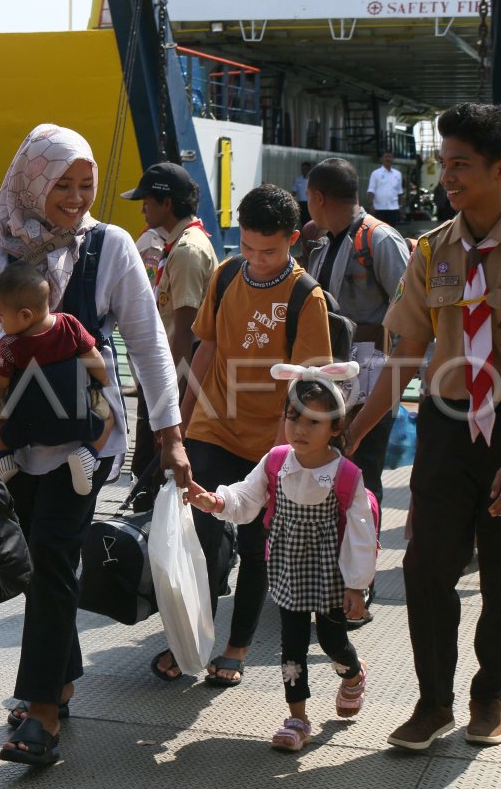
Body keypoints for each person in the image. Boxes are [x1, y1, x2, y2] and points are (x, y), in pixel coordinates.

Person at [347, 103, 501, 750]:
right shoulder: (433, 252)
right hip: (448, 428)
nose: (447, 176)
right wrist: (357, 429)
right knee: (427, 568)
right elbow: (404, 358)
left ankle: (490, 697)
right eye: (443, 163)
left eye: (462, 165)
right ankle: (432, 704)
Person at [0, 124, 190, 767]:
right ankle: (62, 673)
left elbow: (148, 344)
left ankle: (41, 712)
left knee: (55, 558)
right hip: (14, 436)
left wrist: (168, 434)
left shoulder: (110, 246)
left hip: (84, 437)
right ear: (31, 181)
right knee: (33, 560)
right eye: (63, 185)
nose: (77, 197)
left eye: (86, 185)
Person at [150, 184, 332, 685]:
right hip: (213, 424)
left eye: (268, 250)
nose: (257, 259)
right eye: (248, 246)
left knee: (255, 546)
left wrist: (278, 457)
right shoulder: (227, 273)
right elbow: (204, 349)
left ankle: (236, 646)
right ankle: (187, 638)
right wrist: (181, 424)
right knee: (200, 532)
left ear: (293, 239)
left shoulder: (305, 297)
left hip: (269, 439)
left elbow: (304, 388)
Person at [184, 365, 377, 752]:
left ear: (336, 428)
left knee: (331, 640)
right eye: (293, 418)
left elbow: (359, 535)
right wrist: (217, 501)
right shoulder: (276, 462)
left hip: (332, 577)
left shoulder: (346, 476)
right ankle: (297, 717)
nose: (300, 430)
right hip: (288, 572)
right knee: (292, 646)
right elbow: (247, 497)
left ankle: (352, 673)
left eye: (313, 422)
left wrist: (357, 585)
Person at [303, 157, 410, 622]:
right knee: (321, 473)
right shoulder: (322, 243)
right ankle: (323, 573)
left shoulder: (378, 240)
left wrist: (400, 379)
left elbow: (412, 312)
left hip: (370, 372)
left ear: (319, 197)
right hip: (325, 373)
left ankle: (358, 582)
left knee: (363, 476)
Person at [0, 262, 113, 494]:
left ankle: (4, 458)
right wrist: (104, 382)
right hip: (77, 416)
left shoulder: (10, 345)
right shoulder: (70, 325)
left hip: (28, 425)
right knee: (109, 416)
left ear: (25, 315)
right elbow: (93, 358)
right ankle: (87, 454)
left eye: (1, 315)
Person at [120, 163, 216, 496]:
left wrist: (167, 397)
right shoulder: (177, 244)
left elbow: (185, 332)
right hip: (166, 373)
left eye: (147, 200)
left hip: (172, 378)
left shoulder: (187, 251)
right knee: (147, 463)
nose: (143, 208)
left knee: (152, 466)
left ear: (168, 204)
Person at [366, 151, 404, 225]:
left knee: (392, 230)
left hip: (393, 208)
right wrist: (370, 205)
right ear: (382, 159)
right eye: (386, 157)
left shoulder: (398, 174)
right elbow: (371, 190)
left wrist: (401, 206)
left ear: (393, 159)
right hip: (379, 208)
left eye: (390, 157)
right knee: (379, 230)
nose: (388, 159)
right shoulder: (375, 173)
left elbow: (400, 192)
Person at [291, 160, 312, 228]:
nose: (304, 170)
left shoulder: (312, 179)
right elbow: (294, 192)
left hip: (311, 203)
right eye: (303, 169)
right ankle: (304, 235)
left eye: (306, 169)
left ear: (309, 169)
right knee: (303, 221)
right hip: (301, 203)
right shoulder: (298, 179)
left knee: (310, 221)